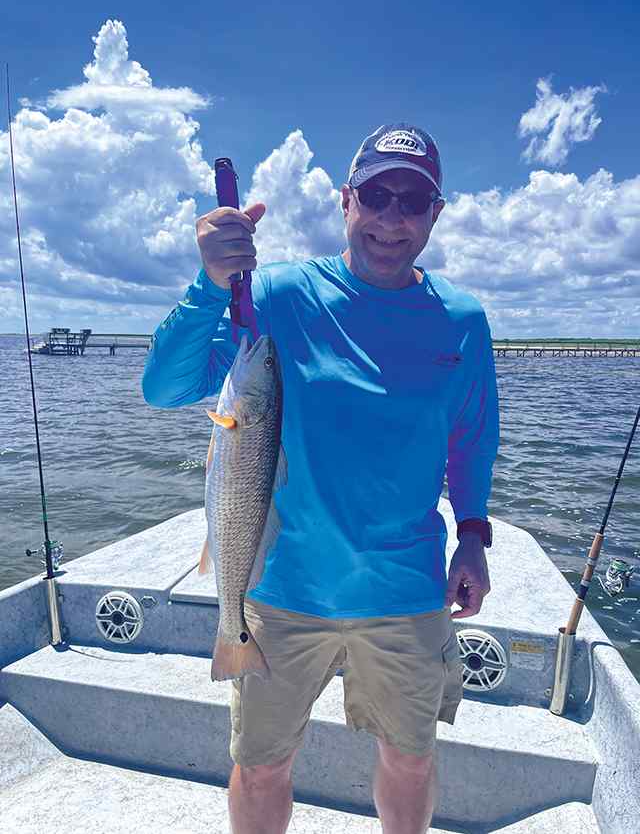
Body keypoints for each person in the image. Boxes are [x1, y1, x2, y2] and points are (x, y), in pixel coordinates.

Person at [142, 123, 500, 834]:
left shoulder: (461, 320)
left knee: (411, 759)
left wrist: (473, 534)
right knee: (261, 764)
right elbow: (166, 385)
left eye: (413, 200)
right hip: (280, 591)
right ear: (346, 200)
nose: (392, 218)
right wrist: (209, 284)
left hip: (405, 590)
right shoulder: (274, 296)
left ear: (436, 213)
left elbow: (471, 438)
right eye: (376, 194)